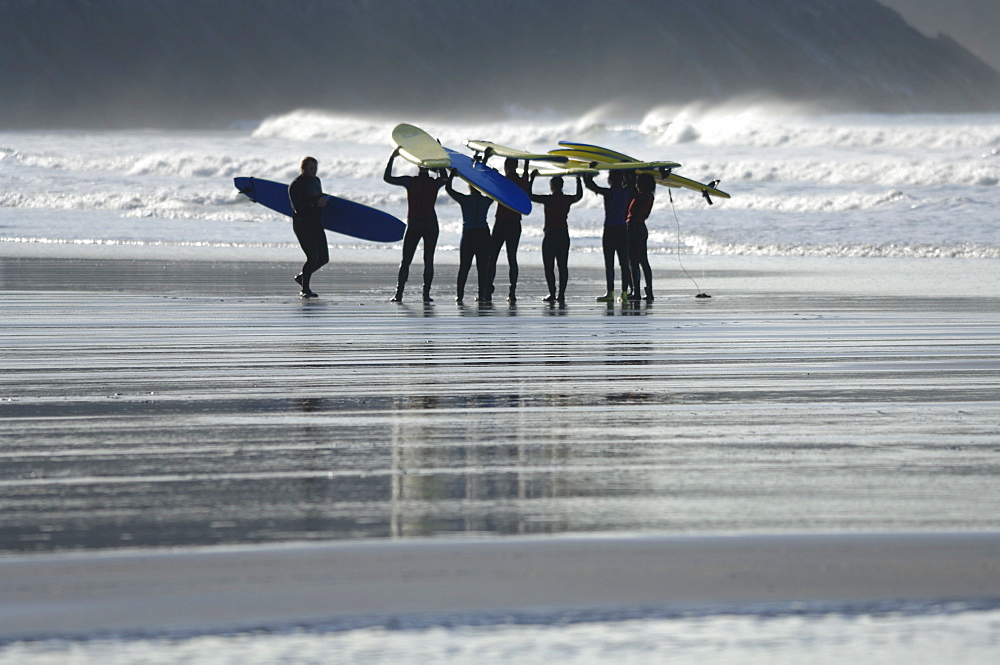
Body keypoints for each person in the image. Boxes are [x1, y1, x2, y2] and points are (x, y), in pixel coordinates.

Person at [384, 147, 447, 302]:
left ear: (418, 166)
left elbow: (388, 178)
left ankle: (399, 294)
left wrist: (393, 157)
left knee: (406, 260)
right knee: (429, 259)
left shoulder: (410, 181)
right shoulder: (435, 183)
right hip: (431, 224)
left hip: (415, 223)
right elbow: (446, 179)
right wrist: (440, 163)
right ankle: (426, 295)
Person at [529, 172, 583, 303]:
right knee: (562, 265)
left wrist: (532, 178)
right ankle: (561, 294)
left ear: (552, 186)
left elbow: (529, 195)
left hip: (550, 234)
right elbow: (579, 196)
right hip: (563, 235)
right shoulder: (566, 199)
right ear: (562, 186)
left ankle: (552, 293)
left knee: (549, 266)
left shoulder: (548, 199)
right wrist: (578, 180)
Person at [446, 171, 495, 303]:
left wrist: (452, 175)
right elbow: (496, 191)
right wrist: (491, 177)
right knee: (482, 267)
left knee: (464, 266)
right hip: (484, 234)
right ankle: (482, 295)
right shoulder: (486, 200)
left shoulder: (465, 199)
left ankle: (460, 295)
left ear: (469, 187)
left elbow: (448, 189)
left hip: (469, 234)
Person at [486, 157, 530, 303]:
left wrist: (486, 161)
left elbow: (486, 181)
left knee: (492, 257)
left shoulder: (503, 180)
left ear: (506, 166)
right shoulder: (522, 181)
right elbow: (527, 193)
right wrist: (527, 167)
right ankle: (512, 291)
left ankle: (488, 288)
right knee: (512, 258)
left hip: (501, 222)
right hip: (515, 224)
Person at [585, 169, 633, 302]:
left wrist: (588, 171)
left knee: (609, 263)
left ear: (610, 180)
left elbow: (590, 185)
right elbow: (632, 181)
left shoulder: (608, 192)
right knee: (624, 263)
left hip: (610, 230)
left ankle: (610, 293)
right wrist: (630, 169)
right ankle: (624, 293)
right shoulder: (627, 192)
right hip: (623, 230)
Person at [288, 156, 330, 298]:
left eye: (315, 168)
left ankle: (301, 278)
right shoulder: (296, 185)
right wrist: (316, 204)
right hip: (302, 224)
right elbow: (298, 208)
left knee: (324, 258)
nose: (314, 171)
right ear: (303, 168)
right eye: (311, 168)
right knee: (312, 257)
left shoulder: (316, 181)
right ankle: (305, 289)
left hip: (316, 224)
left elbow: (317, 196)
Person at [626, 172, 656, 301]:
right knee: (642, 261)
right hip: (639, 228)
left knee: (634, 262)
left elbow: (630, 191)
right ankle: (647, 291)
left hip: (635, 229)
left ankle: (637, 292)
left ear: (645, 184)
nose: (637, 185)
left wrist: (630, 174)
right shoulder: (646, 195)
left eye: (639, 182)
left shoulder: (644, 196)